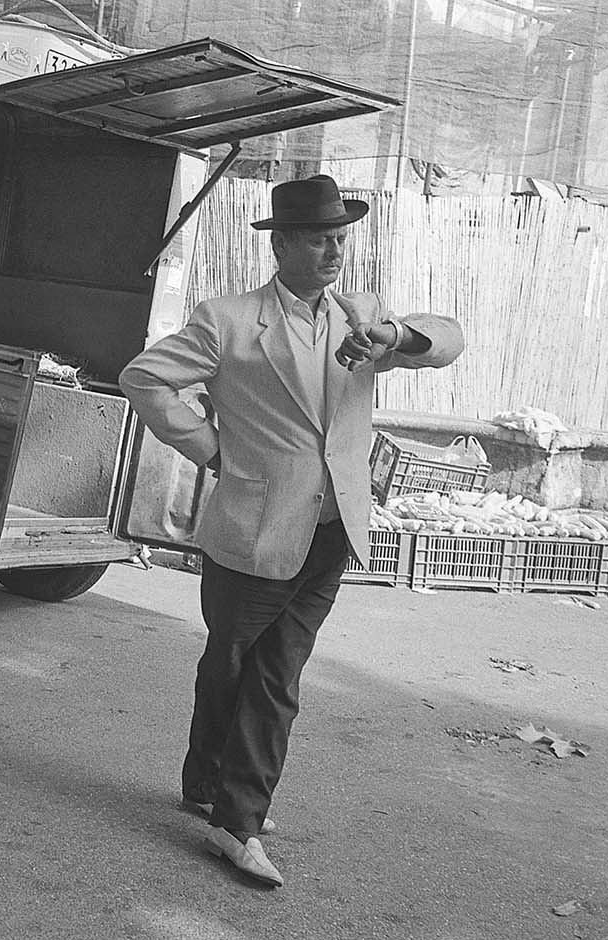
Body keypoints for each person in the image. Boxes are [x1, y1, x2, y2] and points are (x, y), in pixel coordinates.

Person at [119, 175, 464, 889]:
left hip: (333, 528)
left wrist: (396, 335)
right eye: (318, 238)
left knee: (276, 675)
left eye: (341, 237)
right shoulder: (230, 321)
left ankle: (237, 818)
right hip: (253, 526)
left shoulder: (362, 316)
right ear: (281, 245)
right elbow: (144, 378)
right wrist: (215, 451)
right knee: (232, 662)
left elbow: (447, 343)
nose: (335, 250)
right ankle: (210, 782)